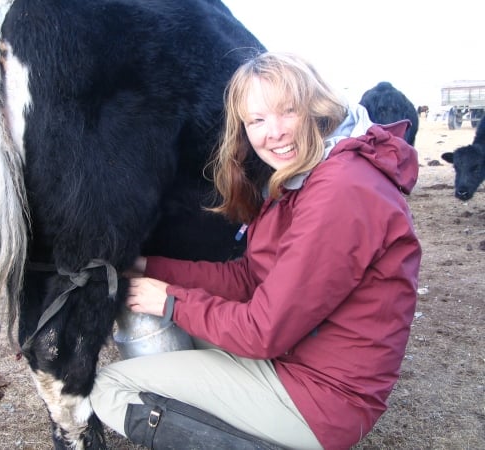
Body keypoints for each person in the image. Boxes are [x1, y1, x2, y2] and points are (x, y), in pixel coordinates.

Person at [89, 52, 421, 450]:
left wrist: (169, 300)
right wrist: (149, 267)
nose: (274, 132)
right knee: (180, 326)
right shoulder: (307, 176)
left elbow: (264, 331)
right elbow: (248, 278)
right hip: (299, 360)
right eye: (257, 120)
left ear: (317, 109)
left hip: (323, 398)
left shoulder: (342, 189)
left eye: (287, 112)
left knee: (110, 388)